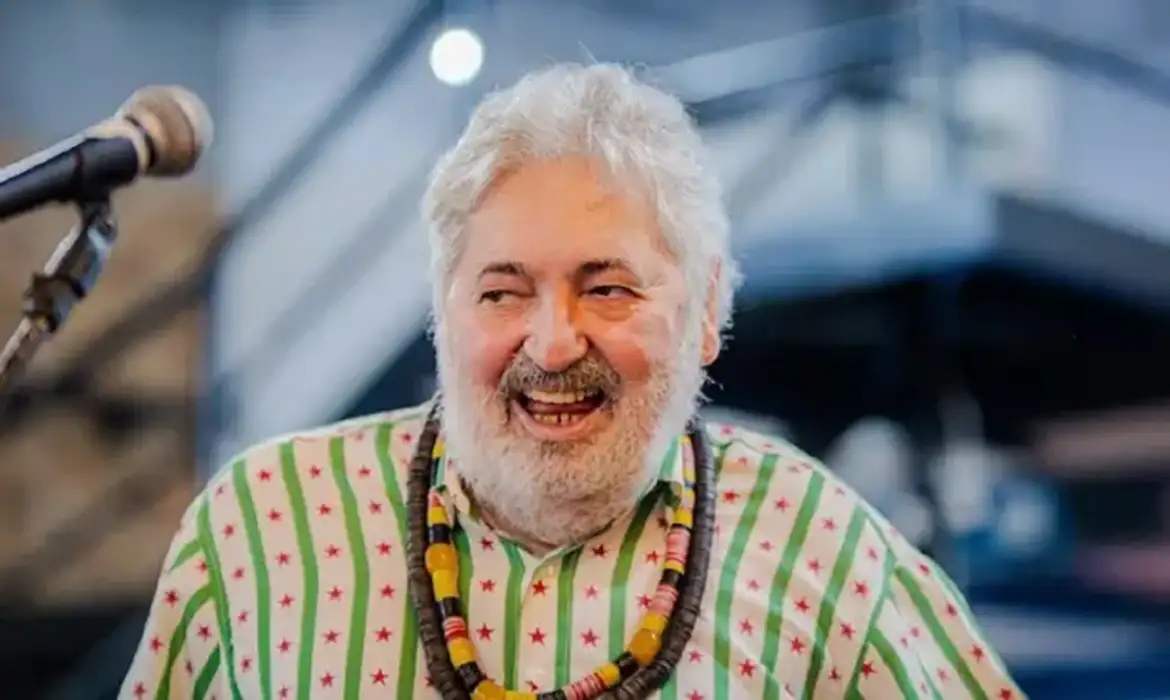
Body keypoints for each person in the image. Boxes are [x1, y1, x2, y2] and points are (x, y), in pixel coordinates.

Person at [120, 63, 1023, 700]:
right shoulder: (257, 524)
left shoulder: (825, 550)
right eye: (503, 291)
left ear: (707, 308)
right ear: (443, 308)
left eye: (608, 288)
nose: (552, 346)